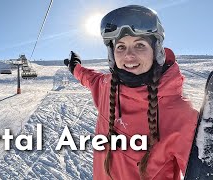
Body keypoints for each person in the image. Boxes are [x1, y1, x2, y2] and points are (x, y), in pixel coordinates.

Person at [64, 5, 198, 180]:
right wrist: (75, 67)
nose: (129, 55)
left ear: (156, 51)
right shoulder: (107, 86)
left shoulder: (181, 114)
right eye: (120, 47)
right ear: (112, 55)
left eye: (140, 45)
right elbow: (89, 78)